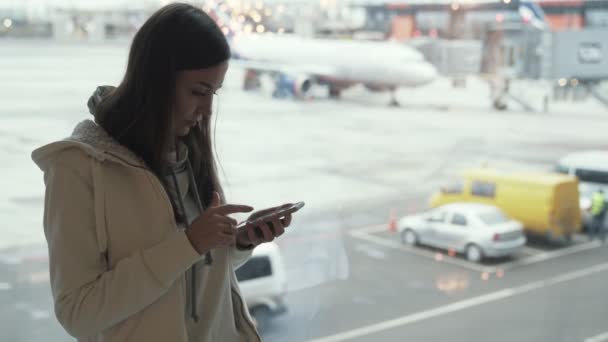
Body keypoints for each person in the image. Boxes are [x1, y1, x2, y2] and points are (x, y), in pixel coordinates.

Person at [32, 4, 295, 341]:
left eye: (213, 94)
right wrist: (187, 244)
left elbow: (192, 281)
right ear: (154, 81)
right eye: (198, 92)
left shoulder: (188, 152)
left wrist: (240, 241)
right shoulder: (78, 168)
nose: (206, 111)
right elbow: (78, 312)